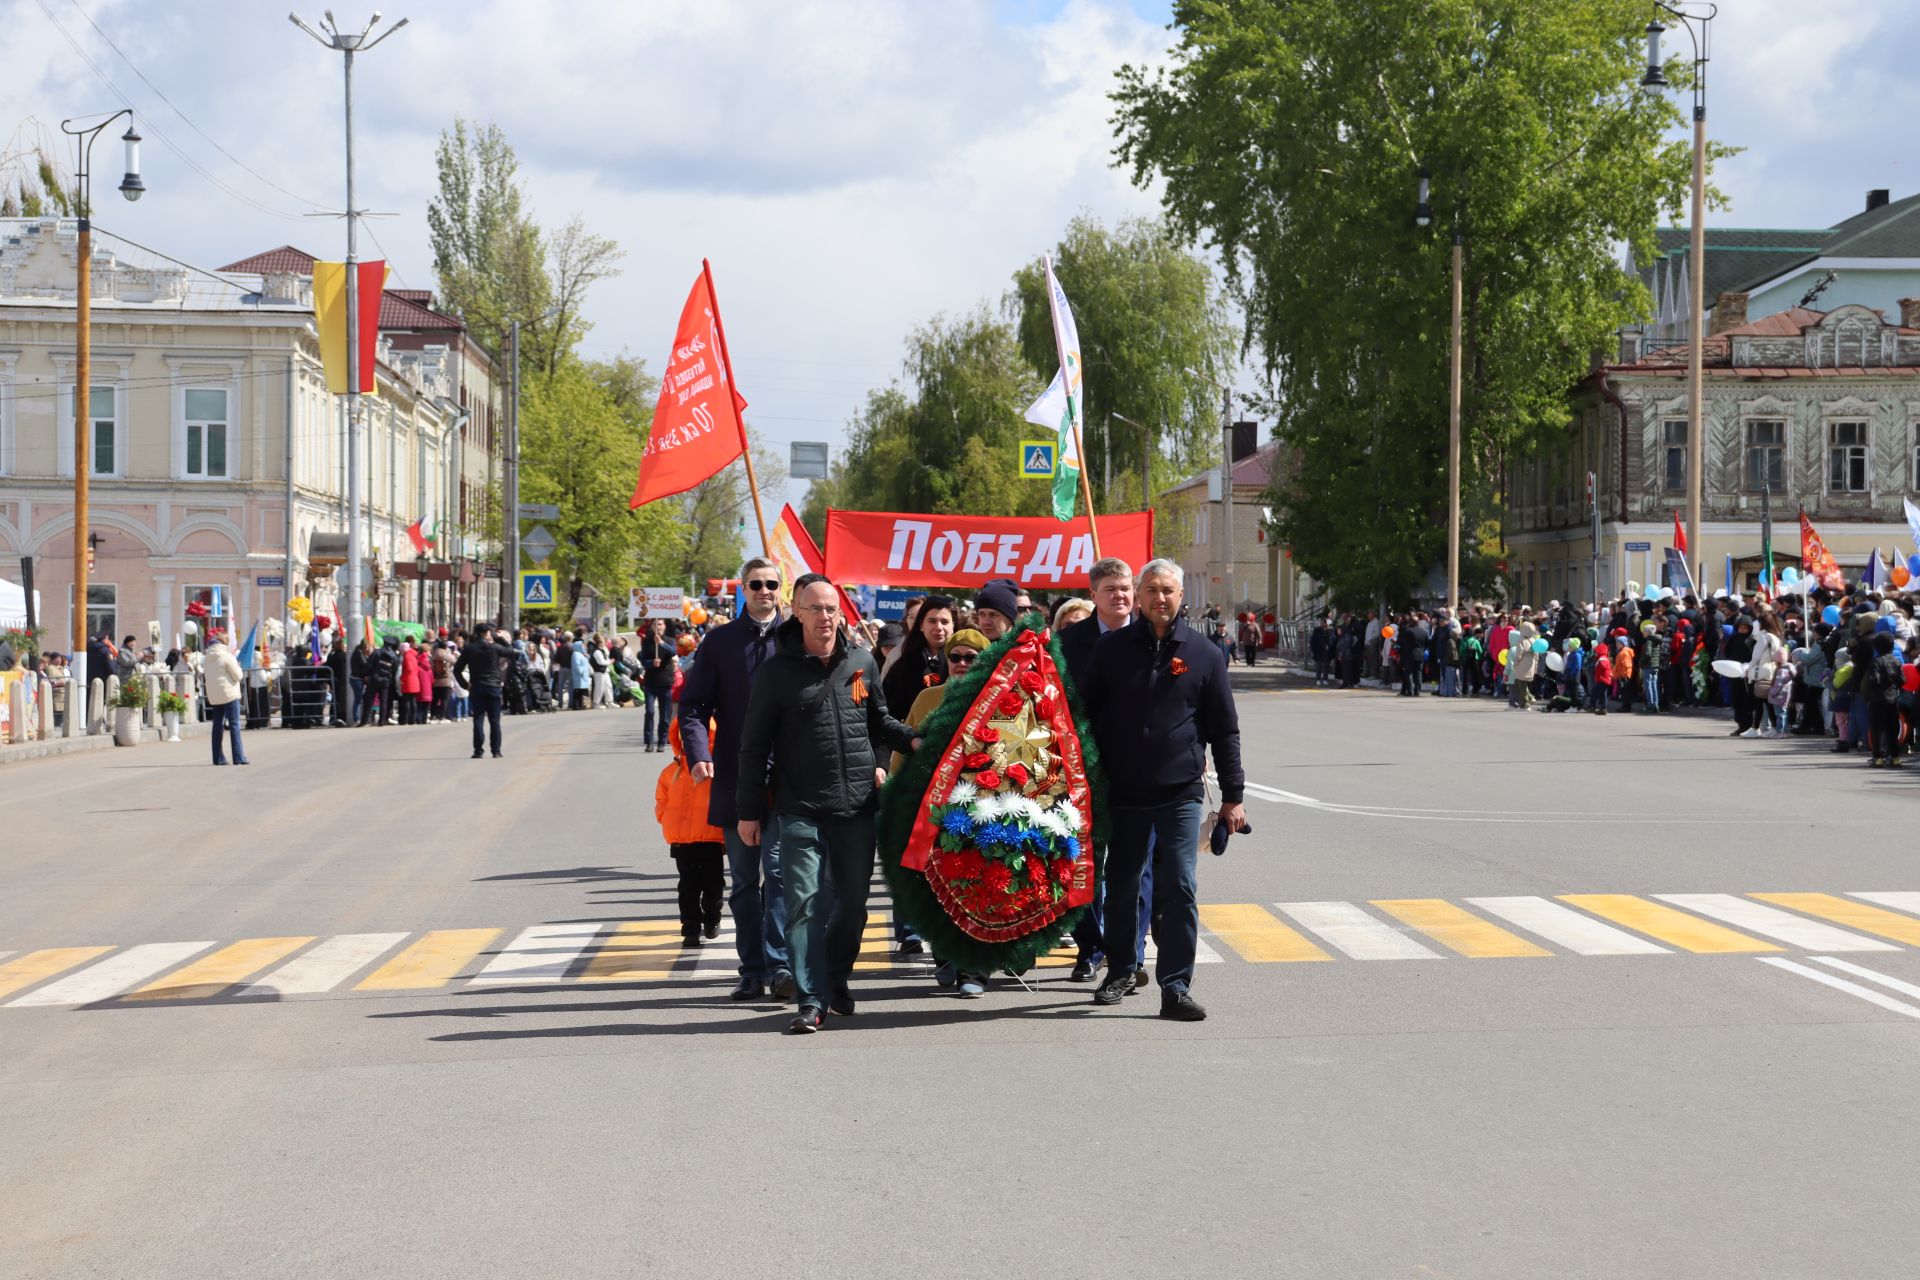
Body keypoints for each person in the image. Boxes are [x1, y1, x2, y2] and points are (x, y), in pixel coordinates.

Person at [735, 573, 919, 1033]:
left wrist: (915, 740)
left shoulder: (860, 662)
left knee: (854, 905)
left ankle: (835, 979)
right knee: (804, 904)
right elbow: (753, 746)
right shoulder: (777, 672)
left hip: (856, 806)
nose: (825, 617)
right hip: (799, 809)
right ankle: (811, 998)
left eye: (831, 609)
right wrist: (748, 811)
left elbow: (877, 718)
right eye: (815, 609)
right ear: (796, 612)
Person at [1082, 559, 1244, 1022]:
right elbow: (1084, 718)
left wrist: (1233, 796)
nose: (1160, 598)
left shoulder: (1205, 654)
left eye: (1168, 590)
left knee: (1180, 885)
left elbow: (1225, 731)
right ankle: (1120, 971)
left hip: (1181, 792)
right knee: (1122, 886)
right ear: (1137, 594)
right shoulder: (1111, 651)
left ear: (1180, 596)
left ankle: (1175, 986)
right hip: (1124, 792)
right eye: (1150, 589)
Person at [679, 558, 794, 1002]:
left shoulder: (796, 639)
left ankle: (779, 965)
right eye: (756, 584)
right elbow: (692, 706)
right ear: (742, 590)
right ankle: (751, 969)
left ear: (781, 590)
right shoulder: (720, 642)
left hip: (787, 778)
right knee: (745, 882)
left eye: (771, 584)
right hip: (735, 776)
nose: (764, 591)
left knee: (781, 876)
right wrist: (699, 753)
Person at [1057, 556, 1138, 984]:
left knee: (1134, 867)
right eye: (1110, 589)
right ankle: (1091, 947)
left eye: (1125, 588)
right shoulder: (1071, 643)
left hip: (1140, 773)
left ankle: (1131, 950)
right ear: (1094, 596)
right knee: (1085, 862)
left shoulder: (1151, 636)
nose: (1120, 596)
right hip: (1082, 768)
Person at [657, 716, 726, 945]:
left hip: (711, 839)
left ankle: (712, 917)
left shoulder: (717, 768)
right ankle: (690, 927)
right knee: (687, 886)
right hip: (682, 840)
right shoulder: (672, 771)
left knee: (713, 884)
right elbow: (661, 800)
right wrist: (667, 819)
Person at [881, 594, 956, 719]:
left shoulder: (964, 662)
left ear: (953, 625)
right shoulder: (902, 665)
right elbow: (886, 712)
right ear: (921, 625)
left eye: (944, 622)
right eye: (932, 621)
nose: (938, 627)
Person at [453, 626, 515, 758]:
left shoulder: (470, 649)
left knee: (478, 720)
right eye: (489, 633)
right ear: (484, 633)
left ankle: (478, 751)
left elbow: (457, 670)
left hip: (477, 687)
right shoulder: (494, 647)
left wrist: (465, 685)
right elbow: (510, 652)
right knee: (494, 721)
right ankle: (496, 751)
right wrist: (502, 638)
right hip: (493, 686)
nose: (491, 635)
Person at [202, 636, 249, 766]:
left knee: (217, 725)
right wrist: (239, 667)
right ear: (224, 643)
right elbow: (238, 676)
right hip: (229, 694)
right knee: (234, 724)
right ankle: (238, 757)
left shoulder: (206, 658)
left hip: (215, 695)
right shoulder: (227, 656)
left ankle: (218, 757)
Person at [639, 618, 676, 751]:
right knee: (649, 711)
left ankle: (662, 741)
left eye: (660, 624)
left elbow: (673, 652)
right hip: (650, 682)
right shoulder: (647, 641)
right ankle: (649, 742)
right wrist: (650, 663)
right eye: (655, 624)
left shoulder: (670, 640)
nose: (658, 627)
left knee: (665, 716)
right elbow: (643, 660)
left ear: (664, 626)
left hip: (665, 681)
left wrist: (661, 643)